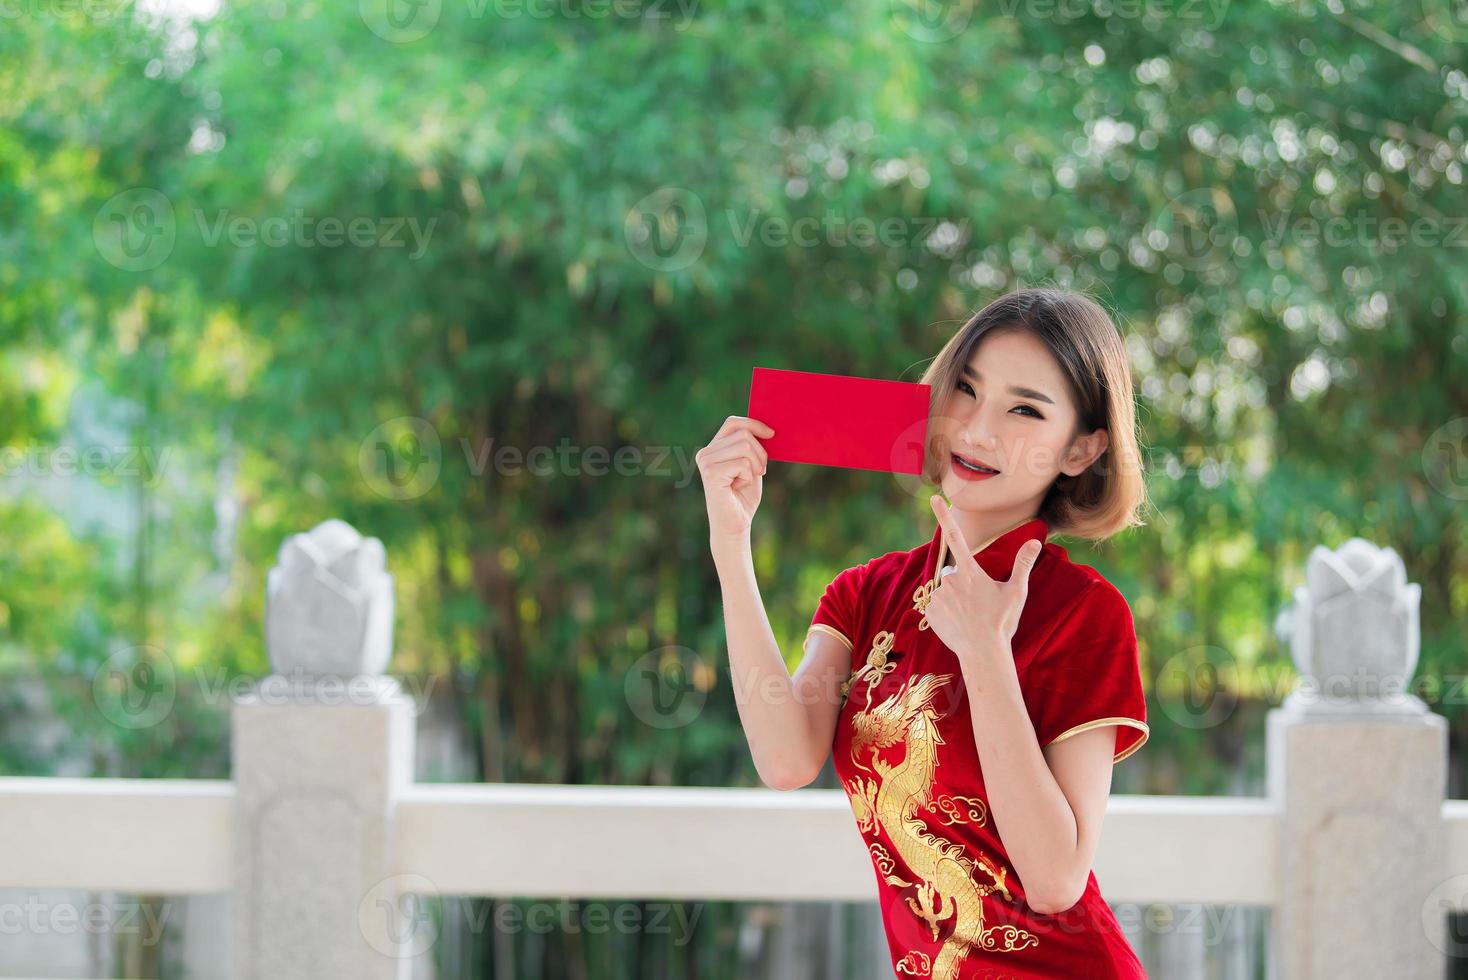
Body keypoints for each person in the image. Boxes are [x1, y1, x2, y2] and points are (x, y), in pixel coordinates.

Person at [695, 287, 1151, 979]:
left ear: (1082, 449)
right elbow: (786, 761)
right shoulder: (866, 593)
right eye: (965, 390)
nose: (978, 427)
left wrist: (986, 651)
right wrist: (731, 543)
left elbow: (1057, 879)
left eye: (1024, 408)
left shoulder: (1083, 613)